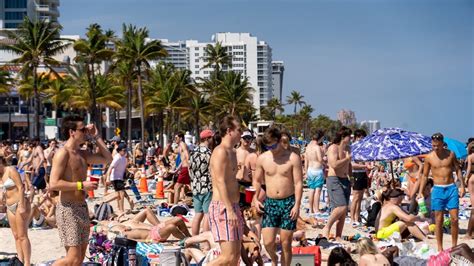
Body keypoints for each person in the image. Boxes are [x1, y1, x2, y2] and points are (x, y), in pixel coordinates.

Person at [49, 115, 113, 265]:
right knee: (72, 258)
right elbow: (53, 184)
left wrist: (96, 136)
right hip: (67, 209)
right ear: (72, 132)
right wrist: (81, 185)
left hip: (82, 208)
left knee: (80, 258)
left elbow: (108, 158)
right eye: (82, 129)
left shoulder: (82, 154)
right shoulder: (62, 153)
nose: (86, 132)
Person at [253, 127, 303, 266]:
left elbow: (298, 183)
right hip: (270, 203)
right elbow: (256, 181)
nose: (272, 149)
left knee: (286, 242)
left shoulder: (293, 158)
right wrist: (255, 198)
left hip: (288, 202)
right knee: (268, 242)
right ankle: (274, 259)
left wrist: (297, 205)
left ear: (279, 140)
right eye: (268, 146)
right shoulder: (263, 158)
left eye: (274, 145)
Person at [418, 132, 465, 251]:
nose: (435, 148)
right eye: (433, 146)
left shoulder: (450, 154)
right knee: (439, 220)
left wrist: (462, 186)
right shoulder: (429, 157)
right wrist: (420, 191)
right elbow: (424, 175)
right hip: (438, 189)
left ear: (443, 144)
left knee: (454, 219)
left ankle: (454, 246)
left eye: (437, 146)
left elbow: (458, 170)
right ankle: (440, 248)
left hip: (451, 188)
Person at [208, 116, 244, 266]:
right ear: (229, 131)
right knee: (227, 257)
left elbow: (231, 180)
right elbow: (220, 181)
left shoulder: (233, 152)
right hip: (222, 207)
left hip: (233, 206)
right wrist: (229, 209)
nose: (241, 133)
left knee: (235, 258)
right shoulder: (220, 151)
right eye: (239, 130)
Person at [322, 126, 352, 240]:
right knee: (341, 206)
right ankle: (327, 227)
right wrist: (347, 159)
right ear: (343, 136)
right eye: (349, 136)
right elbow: (333, 164)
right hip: (334, 179)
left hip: (345, 180)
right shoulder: (333, 148)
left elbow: (349, 165)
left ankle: (338, 235)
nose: (351, 138)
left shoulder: (348, 149)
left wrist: (351, 177)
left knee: (343, 212)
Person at [0, 157, 31, 265]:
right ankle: (20, 261)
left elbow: (21, 187)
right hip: (9, 206)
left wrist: (22, 205)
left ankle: (27, 263)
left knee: (22, 235)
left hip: (20, 203)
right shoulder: (1, 175)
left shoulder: (11, 170)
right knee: (16, 235)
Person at [189, 129, 214, 235]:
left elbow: (190, 169)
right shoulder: (208, 153)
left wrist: (193, 182)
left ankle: (194, 238)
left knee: (198, 214)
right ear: (208, 139)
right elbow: (212, 170)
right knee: (207, 214)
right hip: (206, 185)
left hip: (195, 186)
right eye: (212, 137)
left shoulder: (193, 152)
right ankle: (205, 241)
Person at [350, 129, 371, 226]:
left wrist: (367, 167)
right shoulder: (353, 147)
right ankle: (352, 218)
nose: (362, 139)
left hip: (363, 174)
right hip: (356, 174)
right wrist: (364, 166)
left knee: (361, 197)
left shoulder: (363, 148)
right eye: (360, 137)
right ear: (356, 137)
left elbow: (365, 162)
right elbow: (352, 164)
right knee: (355, 197)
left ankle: (357, 217)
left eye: (363, 137)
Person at [304, 130, 325, 214]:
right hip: (317, 169)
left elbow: (306, 160)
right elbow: (320, 159)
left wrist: (305, 171)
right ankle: (316, 209)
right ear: (319, 138)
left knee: (311, 189)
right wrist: (325, 162)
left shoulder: (308, 146)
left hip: (310, 169)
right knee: (317, 190)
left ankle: (311, 209)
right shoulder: (317, 147)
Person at [107, 143, 129, 214]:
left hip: (119, 178)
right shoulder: (117, 157)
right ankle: (121, 210)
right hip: (115, 178)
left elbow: (124, 168)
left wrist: (129, 172)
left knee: (118, 195)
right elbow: (110, 167)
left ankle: (119, 209)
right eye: (124, 150)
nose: (125, 151)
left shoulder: (124, 159)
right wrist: (108, 178)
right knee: (121, 194)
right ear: (119, 150)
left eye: (126, 150)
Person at [237, 130, 254, 207]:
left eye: (249, 138)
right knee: (239, 208)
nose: (247, 140)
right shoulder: (235, 152)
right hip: (238, 183)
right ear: (240, 139)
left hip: (251, 184)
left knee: (250, 207)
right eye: (245, 138)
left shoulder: (254, 152)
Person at [174, 132, 191, 204]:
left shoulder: (182, 144)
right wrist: (177, 169)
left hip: (186, 168)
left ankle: (175, 205)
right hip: (184, 168)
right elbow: (183, 159)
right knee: (190, 186)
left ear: (180, 138)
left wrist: (190, 167)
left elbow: (187, 155)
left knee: (177, 187)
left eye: (176, 138)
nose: (175, 140)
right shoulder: (180, 146)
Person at [465, 142, 474, 239]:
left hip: (472, 176)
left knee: (472, 195)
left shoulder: (470, 157)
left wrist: (466, 178)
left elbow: (468, 169)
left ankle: (469, 233)